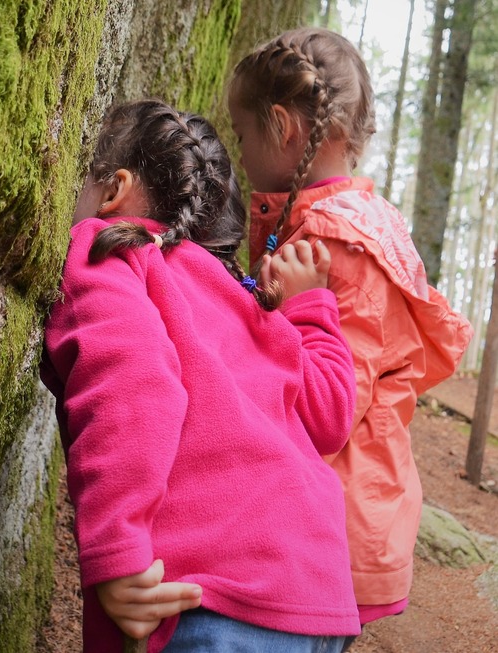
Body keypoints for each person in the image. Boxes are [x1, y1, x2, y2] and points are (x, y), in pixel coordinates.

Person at [40, 99, 361, 653]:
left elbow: (133, 387)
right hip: (321, 596)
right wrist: (309, 307)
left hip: (212, 601)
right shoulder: (247, 302)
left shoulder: (112, 254)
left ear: (113, 190)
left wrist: (118, 552)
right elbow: (330, 420)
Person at [227, 27, 472, 638]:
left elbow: (327, 409)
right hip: (331, 518)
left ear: (282, 127)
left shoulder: (338, 242)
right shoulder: (337, 221)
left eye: (242, 134)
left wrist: (298, 304)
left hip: (328, 528)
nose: (239, 152)